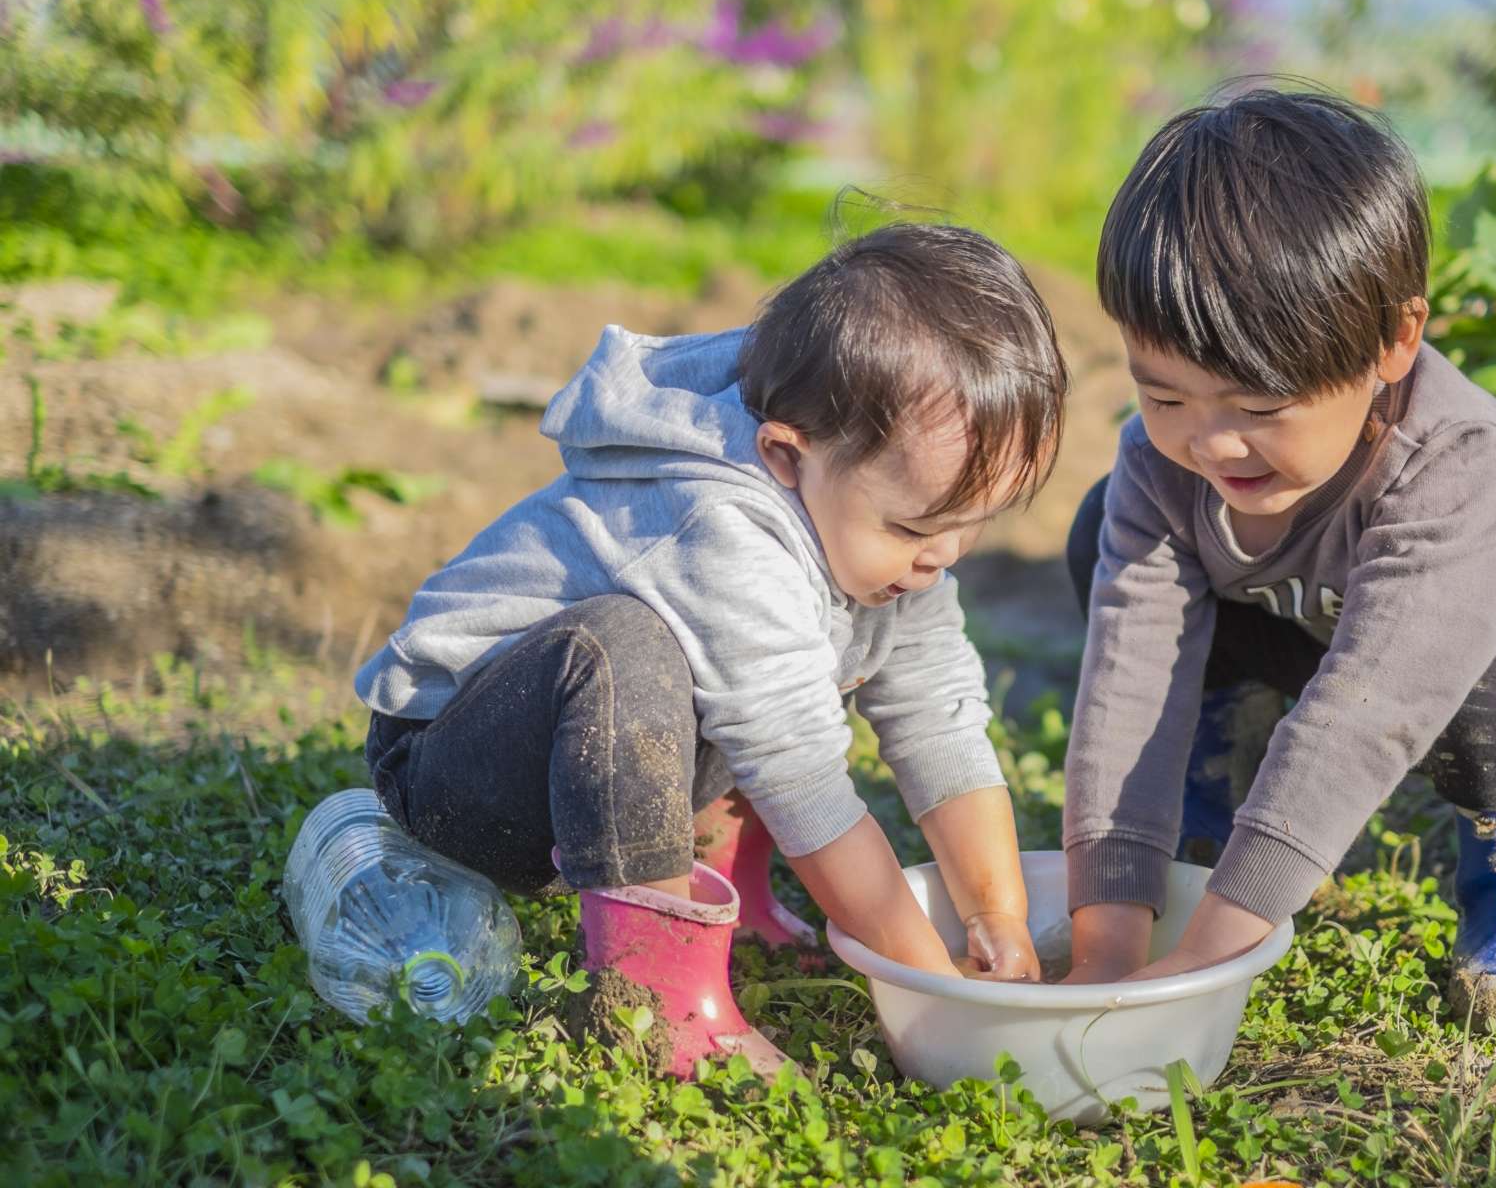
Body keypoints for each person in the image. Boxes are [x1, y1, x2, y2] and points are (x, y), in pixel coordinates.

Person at [355, 222, 1070, 1074]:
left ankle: (729, 889)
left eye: (969, 525)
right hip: (466, 777)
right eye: (916, 525)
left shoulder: (883, 541)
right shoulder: (720, 527)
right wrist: (934, 984)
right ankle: (652, 997)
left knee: (800, 658)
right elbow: (797, 771)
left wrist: (999, 917)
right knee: (631, 646)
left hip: (612, 766)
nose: (943, 556)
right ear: (784, 455)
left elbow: (940, 720)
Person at [1058, 87, 1496, 1038]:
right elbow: (1130, 678)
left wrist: (1215, 949)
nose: (1212, 445)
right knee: (1101, 523)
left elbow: (1370, 711)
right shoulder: (1159, 463)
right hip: (1329, 619)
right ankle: (1219, 814)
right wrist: (1107, 941)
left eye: (1259, 408)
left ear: (1395, 340)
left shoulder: (1457, 468)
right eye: (1166, 396)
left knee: (1484, 637)